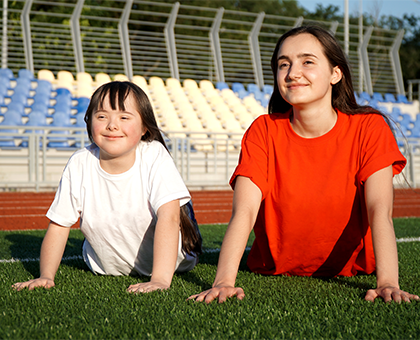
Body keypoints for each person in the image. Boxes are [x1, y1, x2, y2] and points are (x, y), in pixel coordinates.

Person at [189, 25, 419, 304]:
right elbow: (245, 211)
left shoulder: (369, 128)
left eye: (307, 61)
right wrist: (224, 282)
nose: (292, 72)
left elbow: (379, 210)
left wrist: (387, 283)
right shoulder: (263, 130)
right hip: (272, 270)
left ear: (336, 73)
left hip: (351, 270)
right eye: (283, 64)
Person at [13, 81, 202, 293]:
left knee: (176, 206)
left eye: (124, 117)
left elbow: (170, 217)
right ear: (89, 122)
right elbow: (59, 224)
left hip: (175, 261)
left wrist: (159, 279)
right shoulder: (80, 162)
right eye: (102, 116)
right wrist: (46, 276)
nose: (112, 125)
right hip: (105, 268)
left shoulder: (153, 154)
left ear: (144, 128)